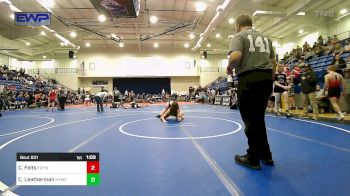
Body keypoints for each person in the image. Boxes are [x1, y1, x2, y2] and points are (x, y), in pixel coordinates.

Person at [227, 14, 275, 170]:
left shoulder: (239, 36)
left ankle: (253, 158)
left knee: (250, 121)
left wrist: (229, 68)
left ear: (237, 25)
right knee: (259, 119)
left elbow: (236, 56)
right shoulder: (267, 39)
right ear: (251, 24)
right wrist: (270, 82)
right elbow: (273, 63)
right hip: (267, 79)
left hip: (249, 80)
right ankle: (266, 155)